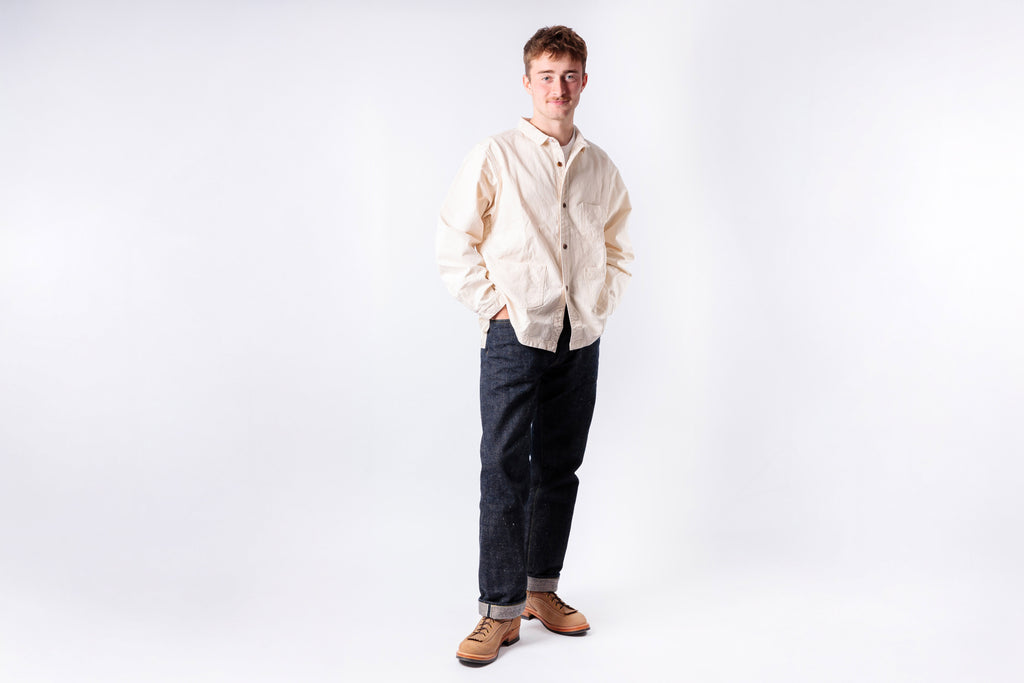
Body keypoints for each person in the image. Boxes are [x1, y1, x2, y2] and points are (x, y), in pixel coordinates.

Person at [436, 25, 634, 667]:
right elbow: (454, 239)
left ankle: (540, 592)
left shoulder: (599, 164)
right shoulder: (495, 154)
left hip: (580, 334)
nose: (559, 87)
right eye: (547, 76)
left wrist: (599, 305)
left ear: (584, 81)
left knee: (559, 467)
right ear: (528, 82)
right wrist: (496, 307)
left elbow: (616, 246)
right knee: (503, 467)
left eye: (570, 74)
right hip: (515, 333)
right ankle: (497, 610)